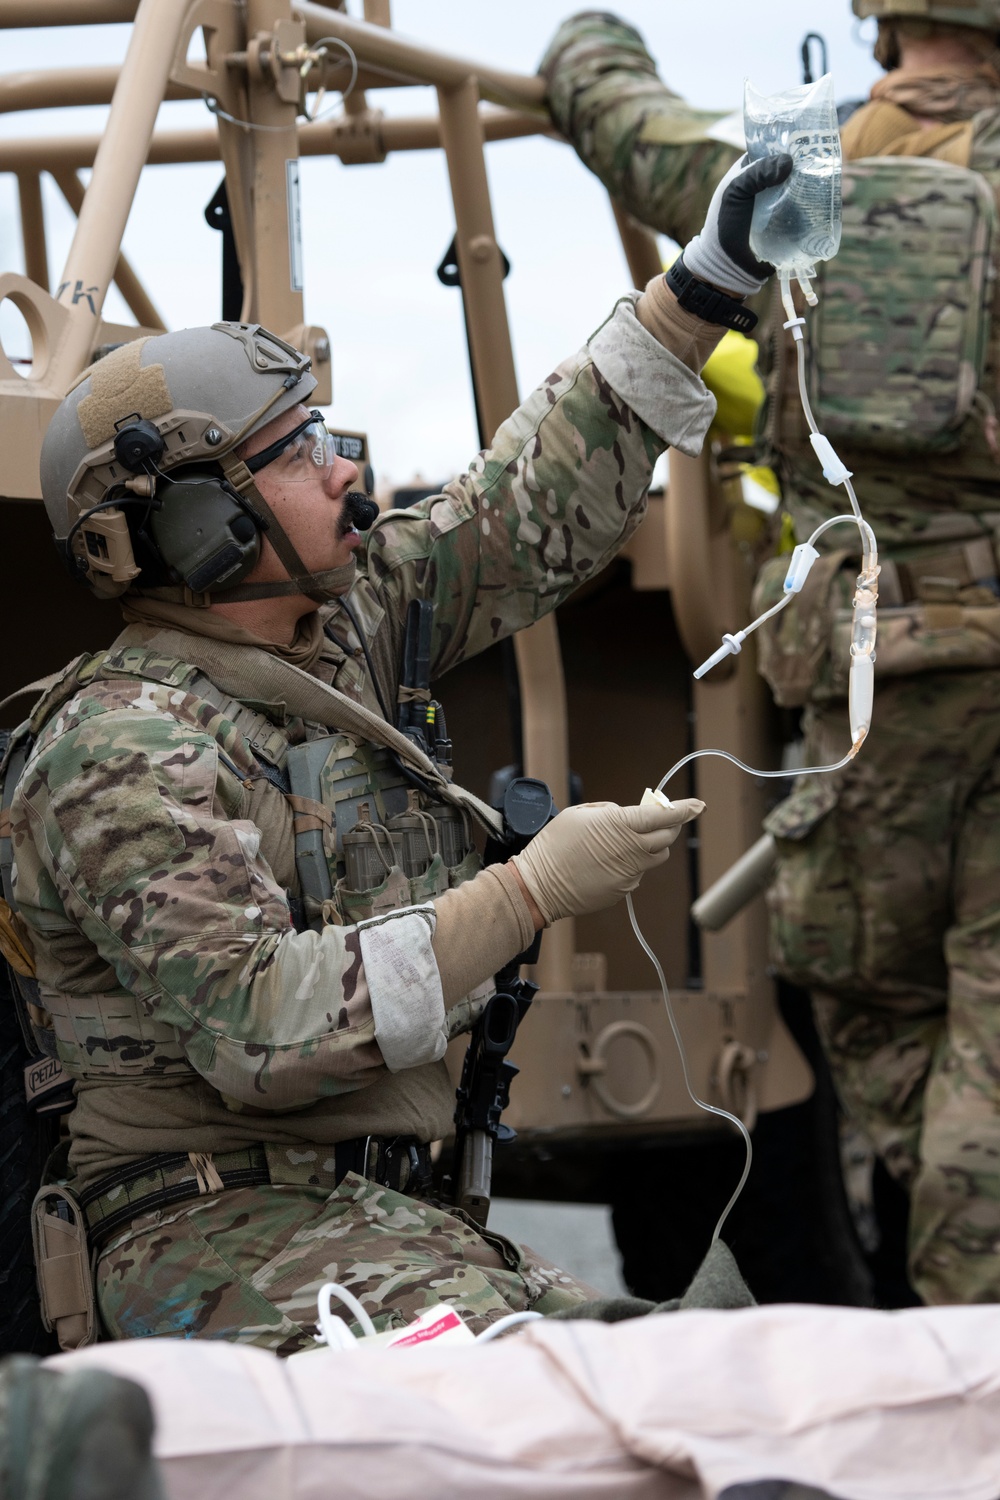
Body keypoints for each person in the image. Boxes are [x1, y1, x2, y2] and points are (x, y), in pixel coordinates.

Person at [6, 154, 789, 1351]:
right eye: (302, 447)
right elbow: (265, 1029)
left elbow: (524, 503)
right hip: (208, 1232)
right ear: (204, 525)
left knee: (698, 1365)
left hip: (380, 1214)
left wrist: (707, 279)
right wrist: (528, 891)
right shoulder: (119, 748)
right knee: (571, 1406)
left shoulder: (348, 625)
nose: (347, 467)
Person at [541, 4, 1000, 1306]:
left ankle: (963, 1293)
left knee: (885, 1025)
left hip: (867, 697)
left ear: (889, 20)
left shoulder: (800, 170)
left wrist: (587, 44)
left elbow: (630, 129)